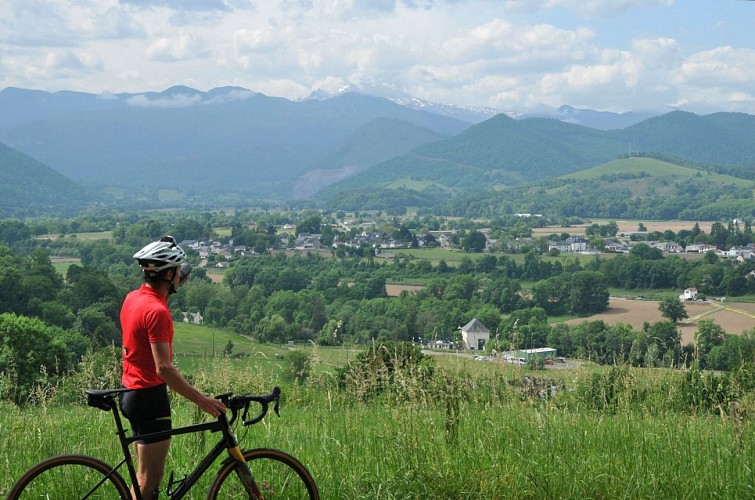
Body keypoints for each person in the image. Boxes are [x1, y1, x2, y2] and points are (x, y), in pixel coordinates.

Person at [119, 235, 226, 499]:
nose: (182, 276)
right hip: (149, 399)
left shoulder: (132, 299)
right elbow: (163, 368)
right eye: (178, 271)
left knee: (143, 480)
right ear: (168, 275)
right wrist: (202, 400)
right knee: (148, 484)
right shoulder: (157, 312)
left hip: (130, 392)